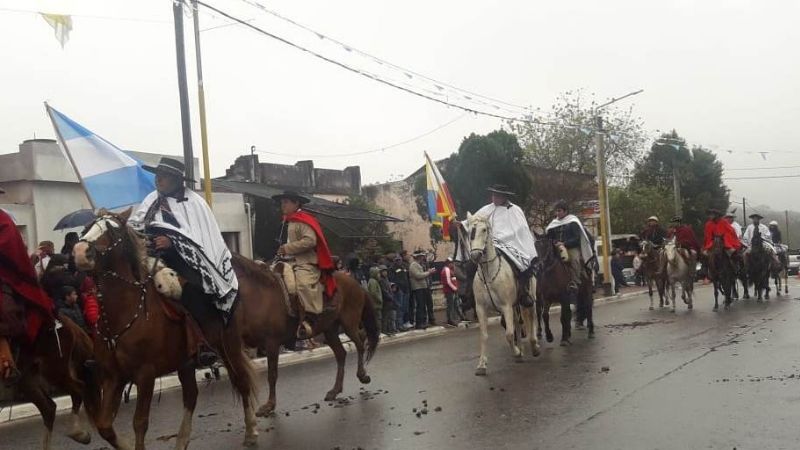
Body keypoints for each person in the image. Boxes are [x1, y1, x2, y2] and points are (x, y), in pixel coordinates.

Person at [130, 157, 238, 366]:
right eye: (157, 175)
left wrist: (172, 243)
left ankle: (204, 343)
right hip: (152, 255)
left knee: (194, 290)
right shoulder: (151, 199)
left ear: (177, 180)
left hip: (186, 259)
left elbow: (200, 237)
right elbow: (137, 225)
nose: (158, 180)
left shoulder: (195, 203)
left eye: (164, 176)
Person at [0, 187, 54, 381]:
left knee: (4, 308)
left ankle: (7, 358)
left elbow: (10, 247)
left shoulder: (4, 219)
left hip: (4, 276)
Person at [271, 190, 338, 339]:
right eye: (282, 203)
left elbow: (310, 241)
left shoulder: (303, 220)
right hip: (287, 261)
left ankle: (311, 317)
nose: (283, 205)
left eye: (286, 202)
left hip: (305, 262)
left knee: (303, 284)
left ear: (296, 203)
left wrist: (287, 248)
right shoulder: (287, 221)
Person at [471, 184, 538, 307]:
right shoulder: (486, 209)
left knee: (520, 265)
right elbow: (474, 221)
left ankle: (524, 292)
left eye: (497, 195)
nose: (494, 198)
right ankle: (473, 295)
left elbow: (520, 229)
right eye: (493, 195)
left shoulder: (514, 210)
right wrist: (460, 224)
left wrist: (501, 238)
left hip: (511, 245)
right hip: (488, 245)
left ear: (504, 197)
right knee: (472, 262)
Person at [545, 200, 595, 298]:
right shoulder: (553, 224)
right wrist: (554, 242)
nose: (557, 213)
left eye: (559, 211)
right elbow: (549, 237)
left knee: (575, 260)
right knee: (545, 260)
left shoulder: (573, 222)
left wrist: (564, 243)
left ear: (565, 211)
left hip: (570, 248)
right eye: (556, 211)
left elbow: (577, 238)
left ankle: (575, 281)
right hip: (555, 247)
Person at [409, 251, 435, 329]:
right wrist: (429, 272)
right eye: (422, 256)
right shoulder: (413, 265)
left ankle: (424, 321)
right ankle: (419, 323)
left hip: (424, 287)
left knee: (424, 305)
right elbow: (418, 276)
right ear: (418, 257)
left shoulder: (420, 264)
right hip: (418, 288)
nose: (423, 257)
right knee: (420, 305)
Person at [388, 253, 411, 330]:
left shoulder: (404, 267)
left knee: (406, 307)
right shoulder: (392, 268)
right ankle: (399, 325)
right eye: (397, 260)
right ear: (394, 260)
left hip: (406, 289)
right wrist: (397, 288)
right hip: (399, 290)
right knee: (400, 308)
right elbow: (392, 280)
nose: (398, 261)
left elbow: (407, 277)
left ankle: (405, 323)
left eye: (399, 260)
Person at [440, 258, 460, 327]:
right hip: (449, 291)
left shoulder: (449, 269)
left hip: (450, 290)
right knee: (450, 305)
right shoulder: (447, 270)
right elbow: (448, 282)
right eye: (451, 263)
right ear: (448, 263)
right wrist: (455, 288)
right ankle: (450, 320)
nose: (453, 264)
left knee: (453, 305)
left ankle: (453, 319)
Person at [366, 266, 383, 333]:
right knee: (377, 319)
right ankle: (378, 332)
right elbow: (373, 292)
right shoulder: (373, 281)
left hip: (376, 304)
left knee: (378, 318)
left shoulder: (374, 281)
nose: (379, 275)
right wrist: (380, 299)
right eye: (378, 273)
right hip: (375, 304)